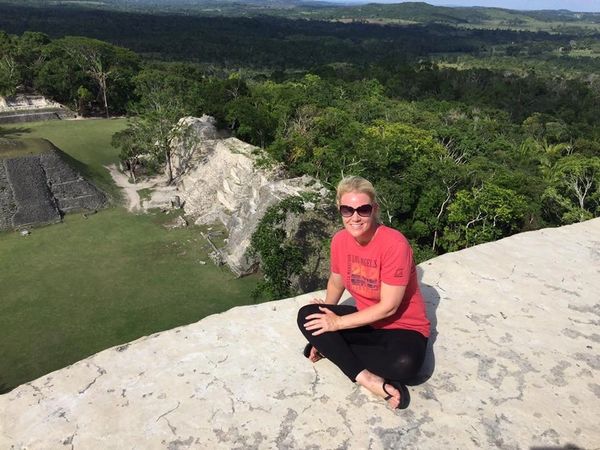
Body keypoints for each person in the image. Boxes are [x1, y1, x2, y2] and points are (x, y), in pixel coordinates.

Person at [297, 176, 430, 410]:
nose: (355, 217)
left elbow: (389, 307)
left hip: (402, 327)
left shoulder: (394, 244)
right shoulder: (339, 241)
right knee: (308, 316)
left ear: (374, 210)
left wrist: (335, 326)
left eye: (363, 209)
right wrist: (326, 316)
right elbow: (337, 281)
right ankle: (368, 379)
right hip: (366, 320)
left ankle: (335, 351)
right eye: (347, 210)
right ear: (340, 210)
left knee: (405, 367)